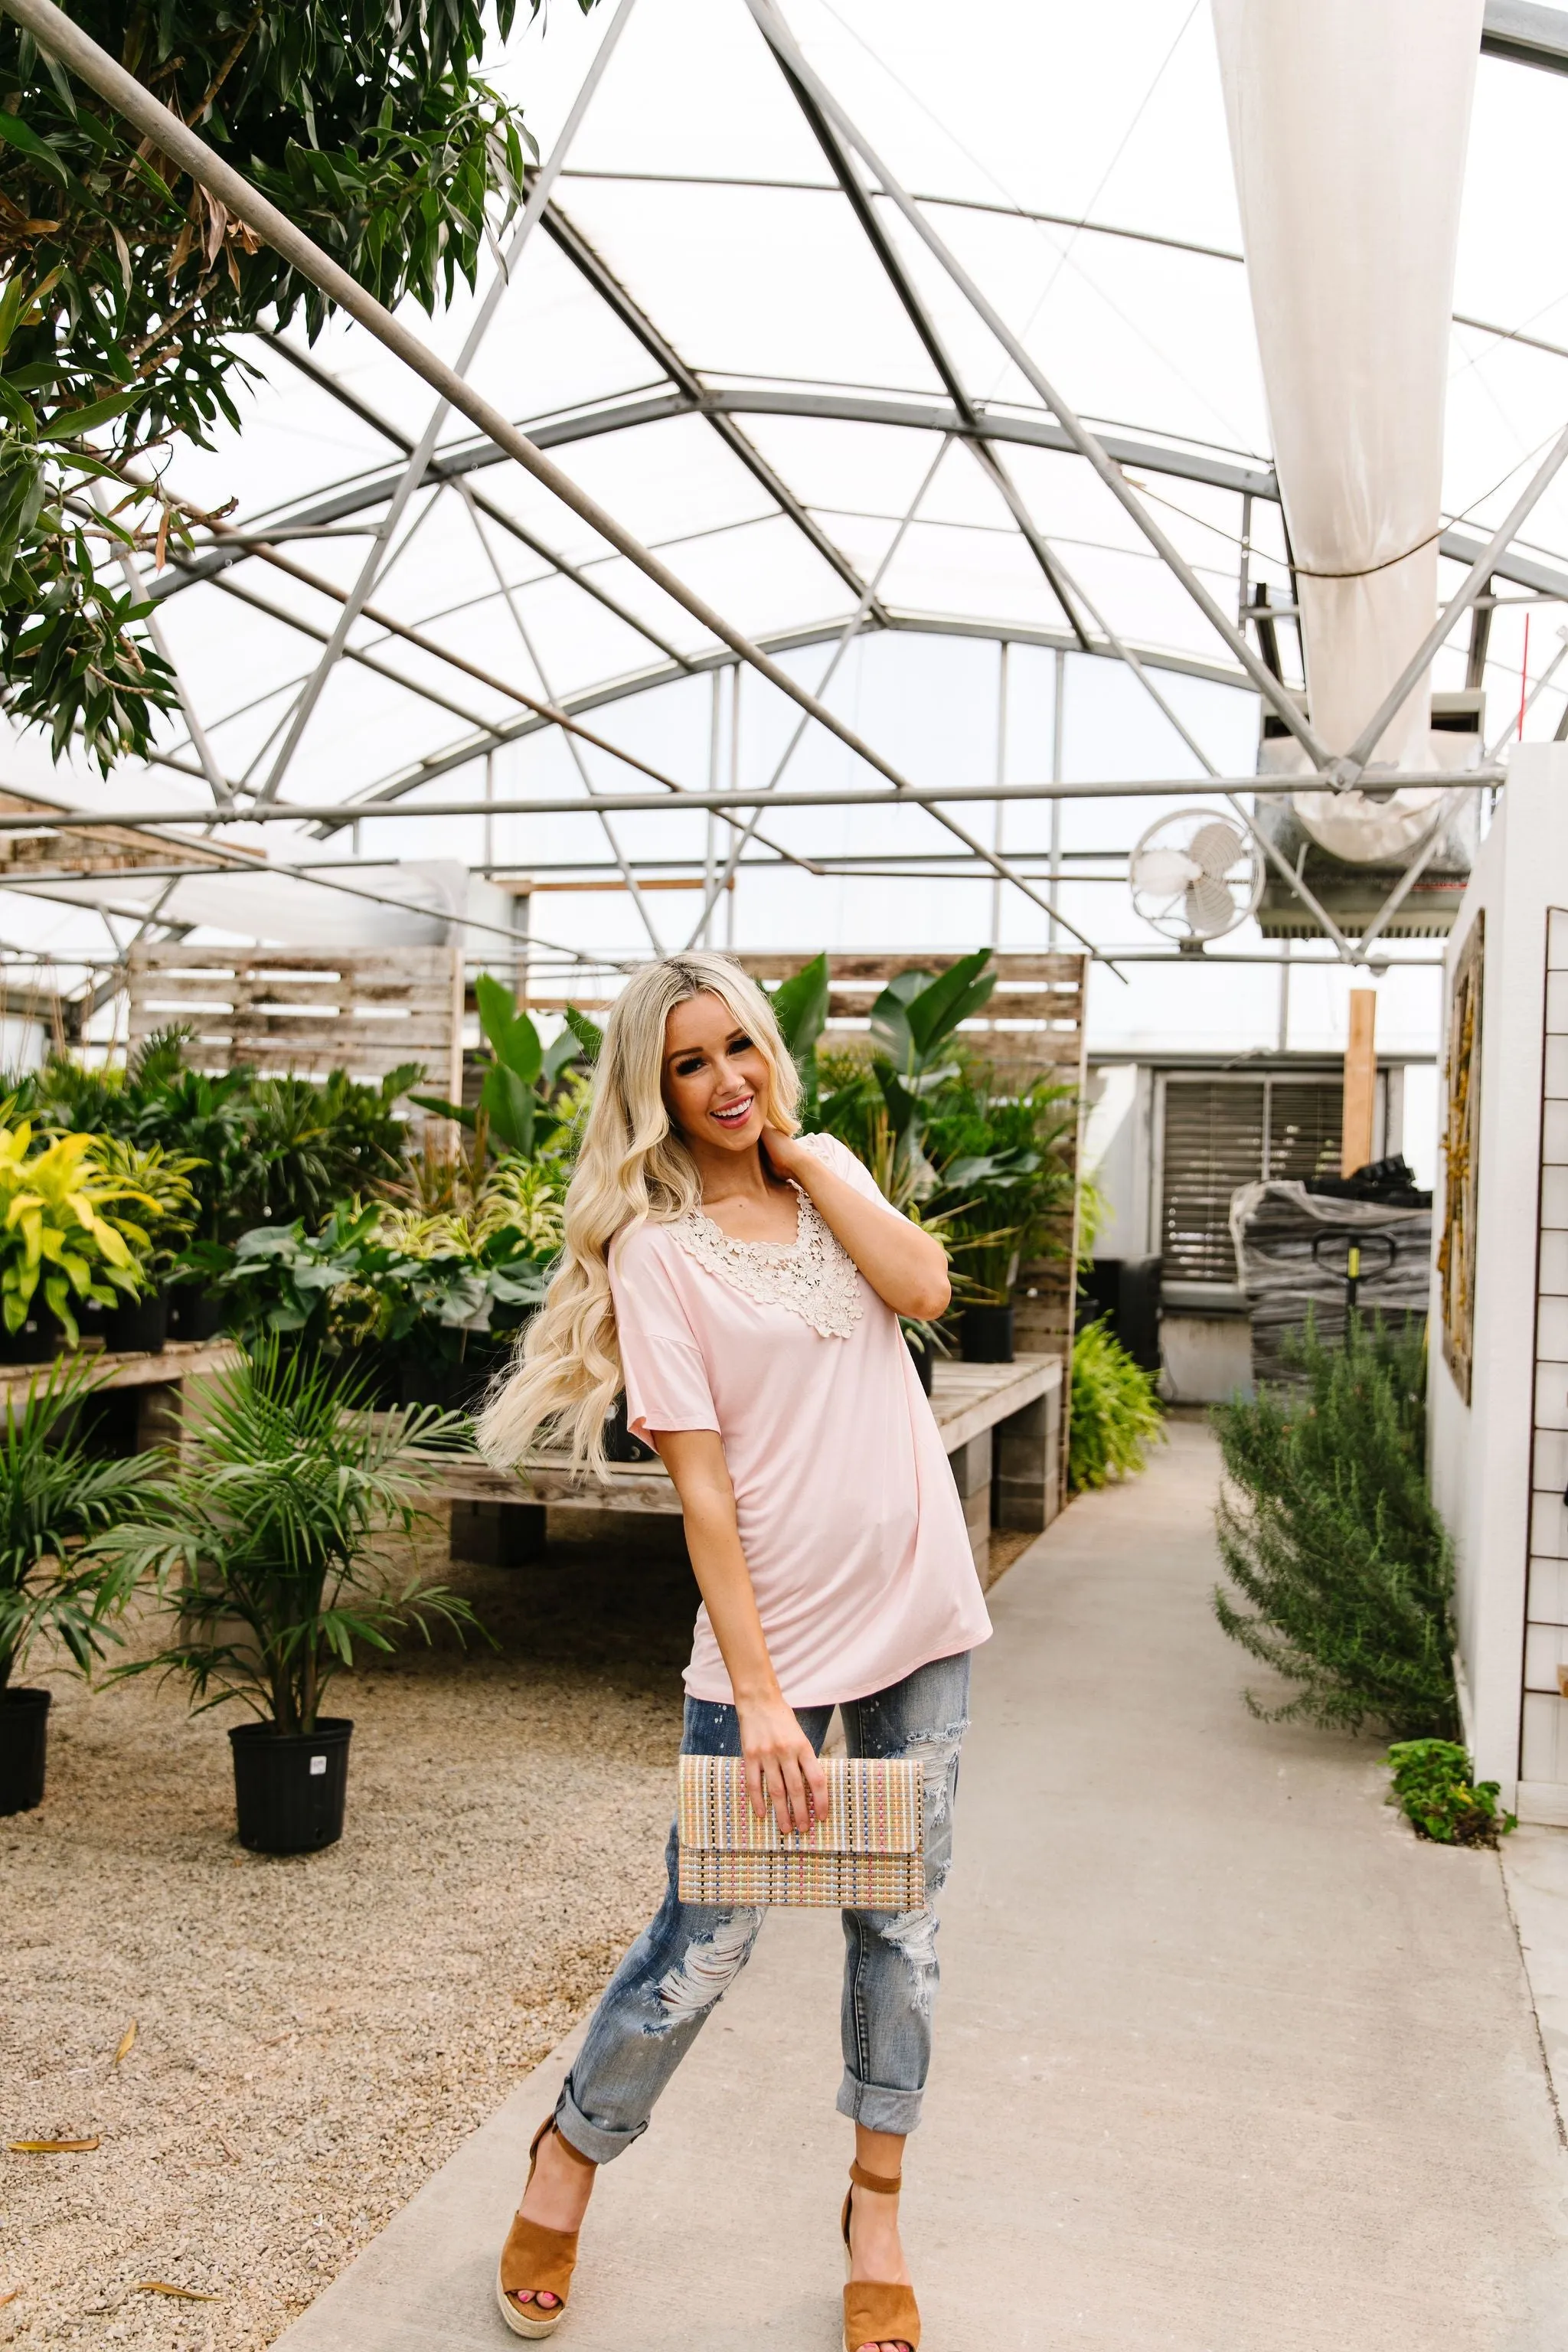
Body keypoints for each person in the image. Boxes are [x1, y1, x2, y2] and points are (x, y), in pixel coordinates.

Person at [476, 952, 991, 2352]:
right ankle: (567, 2158)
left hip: (920, 1618)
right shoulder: (659, 1258)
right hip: (772, 1649)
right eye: (691, 1063)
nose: (726, 1081)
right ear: (653, 1086)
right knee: (709, 1936)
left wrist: (820, 1164)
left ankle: (875, 2210)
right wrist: (759, 1697)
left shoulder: (833, 1185)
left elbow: (928, 1288)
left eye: (742, 1049)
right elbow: (704, 1492)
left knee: (901, 1924)